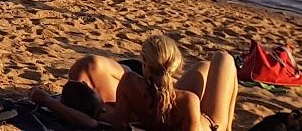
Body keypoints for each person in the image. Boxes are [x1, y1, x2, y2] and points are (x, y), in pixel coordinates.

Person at [27, 35, 239, 131]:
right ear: (174, 67)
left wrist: (48, 101)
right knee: (223, 58)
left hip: (165, 108)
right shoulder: (189, 102)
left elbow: (120, 123)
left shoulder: (128, 82)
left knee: (203, 66)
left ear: (144, 65)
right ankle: (229, 126)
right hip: (209, 124)